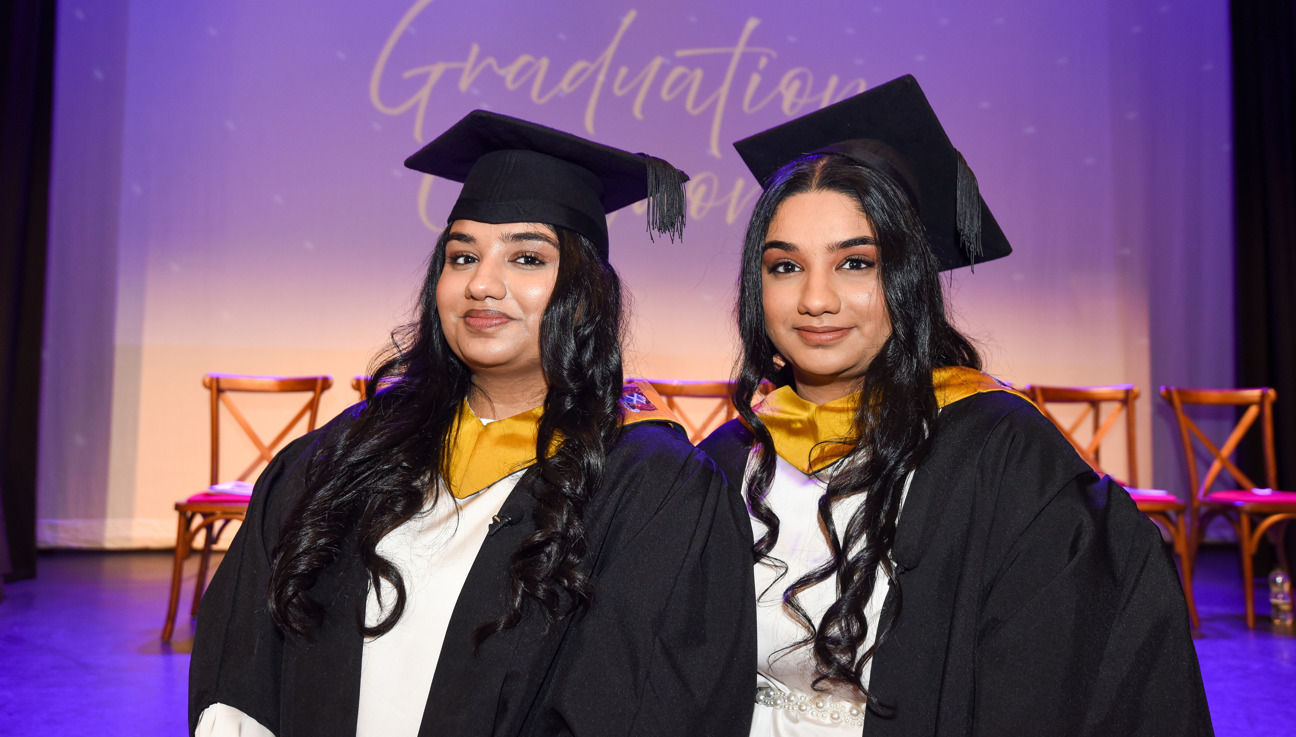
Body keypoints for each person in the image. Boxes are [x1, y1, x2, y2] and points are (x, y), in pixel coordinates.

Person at [190, 110, 756, 737]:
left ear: (585, 293)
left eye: (527, 258)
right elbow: (246, 656)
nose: (483, 284)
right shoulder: (345, 455)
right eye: (462, 256)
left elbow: (644, 700)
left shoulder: (649, 487)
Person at [700, 75, 1212, 736]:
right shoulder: (725, 462)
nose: (816, 299)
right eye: (785, 266)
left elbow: (1059, 684)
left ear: (909, 277)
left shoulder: (1001, 457)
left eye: (857, 263)